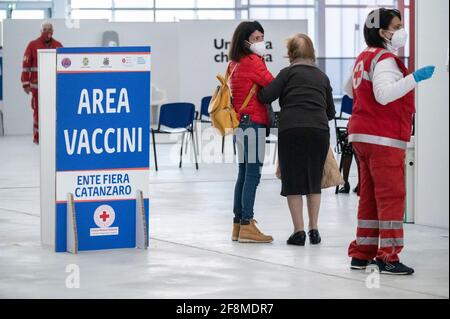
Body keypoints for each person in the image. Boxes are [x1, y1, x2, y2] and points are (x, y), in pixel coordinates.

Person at [346, 8, 435, 275]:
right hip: (383, 137)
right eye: (396, 27)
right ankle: (388, 257)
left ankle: (362, 253)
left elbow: (347, 89)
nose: (400, 31)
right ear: (383, 32)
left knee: (370, 197)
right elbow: (384, 95)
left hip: (362, 135)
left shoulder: (364, 57)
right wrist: (413, 78)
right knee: (391, 197)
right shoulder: (385, 59)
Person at [258, 33, 336, 246]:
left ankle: (298, 231)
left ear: (291, 53)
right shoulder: (322, 77)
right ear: (312, 52)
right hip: (318, 130)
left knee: (292, 180)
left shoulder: (286, 74)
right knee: (313, 181)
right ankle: (314, 229)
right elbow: (331, 111)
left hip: (291, 129)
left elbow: (265, 96)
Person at [228, 21, 275, 243]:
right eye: (256, 39)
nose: (261, 42)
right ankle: (247, 223)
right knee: (253, 174)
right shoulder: (253, 62)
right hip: (254, 123)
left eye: (261, 38)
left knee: (243, 172)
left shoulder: (234, 63)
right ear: (245, 41)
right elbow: (272, 85)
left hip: (240, 123)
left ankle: (238, 224)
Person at [21, 21, 63, 144]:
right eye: (45, 29)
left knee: (54, 112)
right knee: (38, 113)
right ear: (41, 31)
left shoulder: (58, 45)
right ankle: (38, 137)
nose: (47, 32)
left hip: (54, 87)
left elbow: (64, 64)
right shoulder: (32, 45)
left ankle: (53, 137)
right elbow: (25, 65)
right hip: (37, 88)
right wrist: (25, 84)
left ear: (53, 31)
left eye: (50, 29)